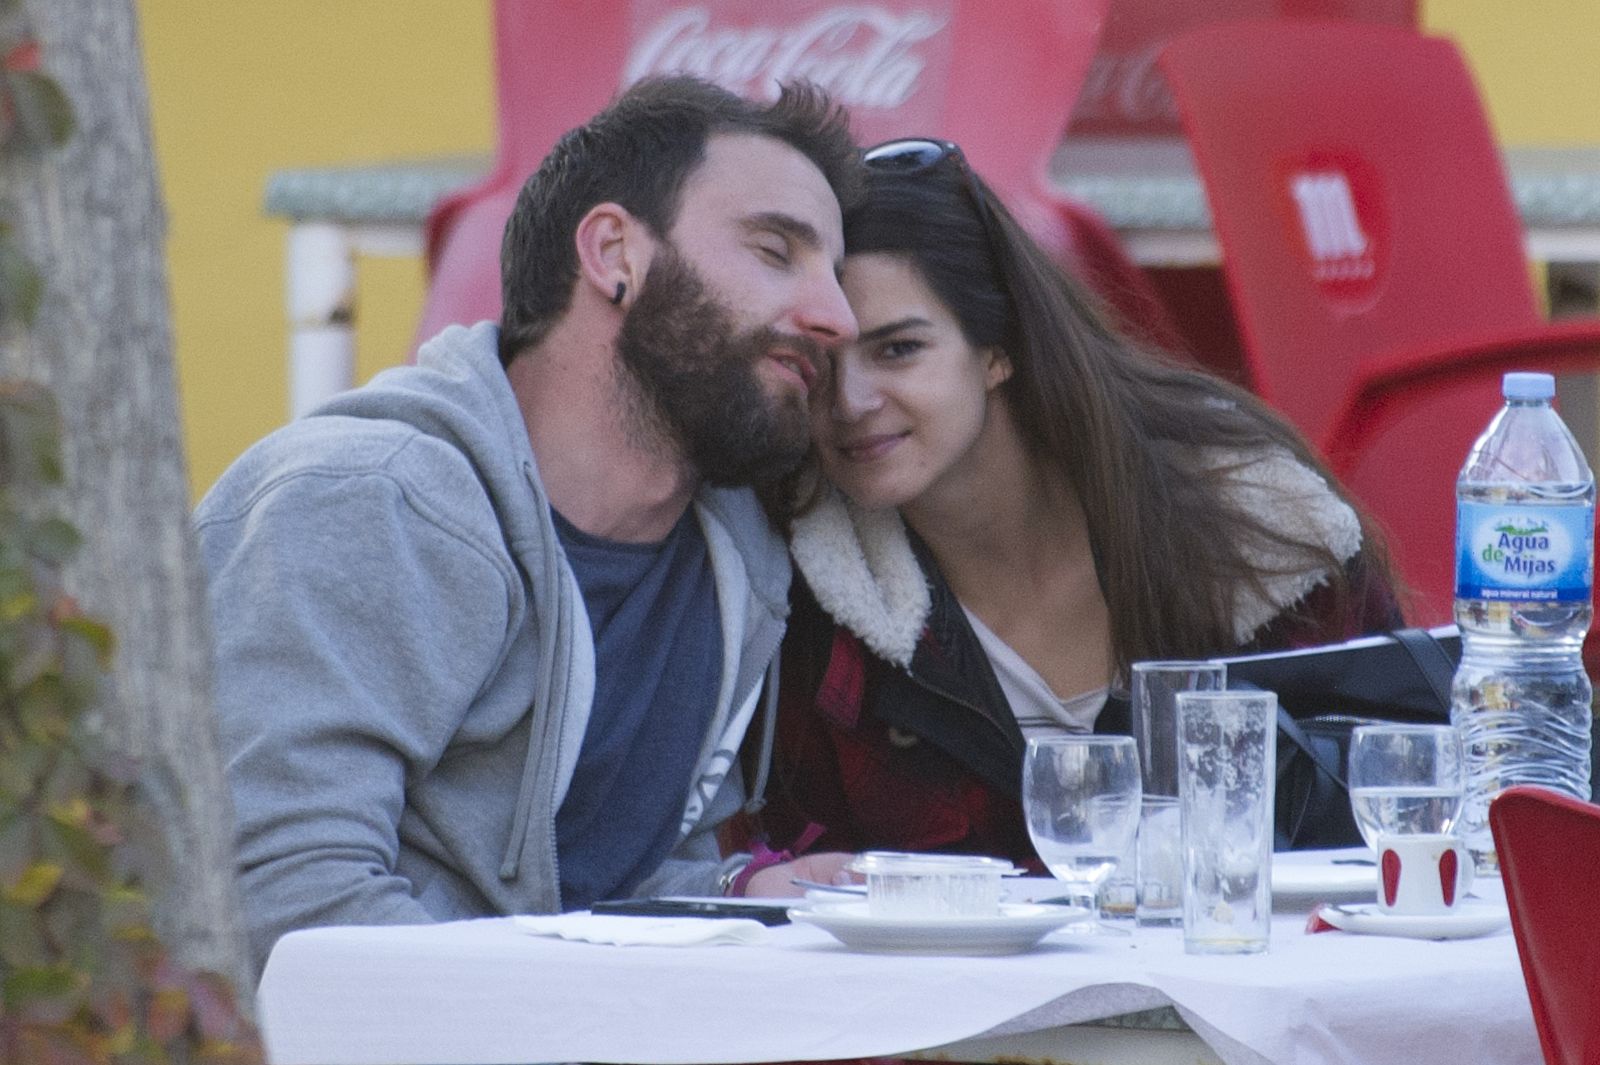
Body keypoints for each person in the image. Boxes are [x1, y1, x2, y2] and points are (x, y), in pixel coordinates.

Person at [196, 76, 862, 975]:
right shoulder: (367, 506)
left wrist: (737, 897)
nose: (839, 317)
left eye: (835, 273)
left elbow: (589, 901)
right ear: (614, 253)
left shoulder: (737, 561)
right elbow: (288, 914)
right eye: (776, 250)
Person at [743, 138, 1404, 864]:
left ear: (998, 348)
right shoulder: (800, 587)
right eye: (821, 362)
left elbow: (1394, 805)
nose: (852, 401)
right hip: (951, 980)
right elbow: (785, 860)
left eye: (898, 349)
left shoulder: (1253, 522)